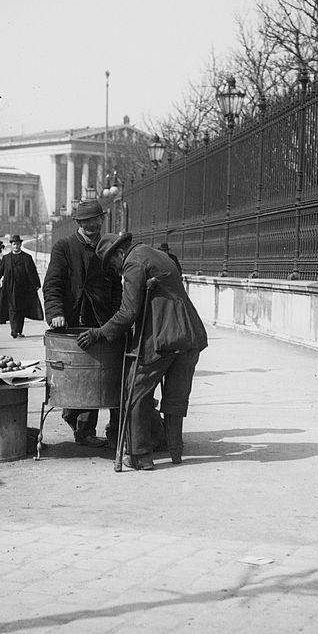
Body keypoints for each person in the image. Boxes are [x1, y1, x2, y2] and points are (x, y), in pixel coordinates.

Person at [77, 233, 207, 470]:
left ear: (118, 254)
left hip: (164, 335)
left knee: (135, 390)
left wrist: (99, 333)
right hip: (190, 333)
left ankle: (139, 456)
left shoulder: (133, 263)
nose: (115, 271)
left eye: (113, 265)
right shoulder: (154, 254)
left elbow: (128, 313)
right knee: (175, 398)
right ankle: (175, 450)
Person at [43, 199, 121, 448]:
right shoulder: (63, 247)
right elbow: (52, 284)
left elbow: (117, 287)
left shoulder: (108, 247)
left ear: (102, 220)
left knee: (98, 372)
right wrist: (55, 312)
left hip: (101, 319)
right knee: (77, 372)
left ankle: (85, 429)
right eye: (86, 221)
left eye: (96, 220)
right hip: (71, 319)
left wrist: (118, 315)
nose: (92, 225)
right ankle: (74, 416)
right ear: (78, 223)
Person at [0, 234, 43, 337]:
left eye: (18, 244)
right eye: (14, 244)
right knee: (12, 309)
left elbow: (33, 272)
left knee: (21, 310)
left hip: (24, 288)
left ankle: (19, 330)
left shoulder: (27, 257)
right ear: (11, 245)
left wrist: (37, 284)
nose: (16, 246)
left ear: (20, 245)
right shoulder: (6, 258)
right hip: (10, 287)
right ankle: (14, 330)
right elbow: (0, 272)